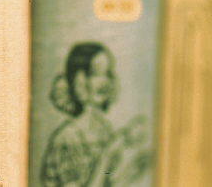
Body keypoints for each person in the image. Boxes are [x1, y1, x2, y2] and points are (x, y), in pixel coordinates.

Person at [40, 42, 152, 187]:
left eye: (107, 73)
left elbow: (105, 183)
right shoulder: (66, 138)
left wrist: (134, 170)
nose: (104, 81)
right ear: (80, 80)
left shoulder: (104, 130)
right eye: (96, 73)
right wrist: (108, 154)